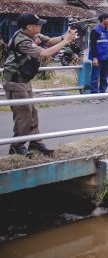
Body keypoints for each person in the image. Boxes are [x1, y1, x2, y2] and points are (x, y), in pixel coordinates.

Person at [3, 13, 77, 155]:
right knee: (23, 113)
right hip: (14, 80)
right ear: (29, 27)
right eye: (38, 24)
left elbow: (49, 41)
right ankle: (16, 146)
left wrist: (64, 36)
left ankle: (35, 142)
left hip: (24, 79)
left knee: (32, 112)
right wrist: (66, 41)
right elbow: (45, 53)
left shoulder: (32, 35)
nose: (40, 26)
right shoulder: (22, 40)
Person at [88, 13, 108, 96]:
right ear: (103, 20)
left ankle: (102, 94)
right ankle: (94, 94)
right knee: (95, 77)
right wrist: (94, 58)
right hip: (98, 58)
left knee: (104, 77)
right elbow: (92, 45)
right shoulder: (95, 30)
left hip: (107, 58)